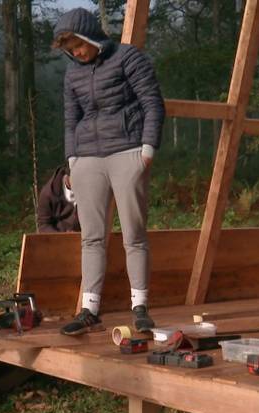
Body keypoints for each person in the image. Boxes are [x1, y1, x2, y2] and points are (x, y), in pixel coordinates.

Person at [51, 8, 165, 335]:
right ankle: (89, 309)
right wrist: (72, 157)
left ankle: (140, 307)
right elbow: (70, 118)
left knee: (134, 234)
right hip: (87, 157)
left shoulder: (129, 58)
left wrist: (147, 149)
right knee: (91, 237)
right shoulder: (72, 73)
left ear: (90, 37)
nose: (76, 54)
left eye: (78, 46)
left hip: (128, 150)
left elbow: (152, 103)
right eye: (70, 50)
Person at [38, 164, 80, 233]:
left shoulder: (90, 188)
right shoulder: (48, 194)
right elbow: (43, 225)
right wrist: (62, 237)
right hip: (57, 238)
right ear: (67, 177)